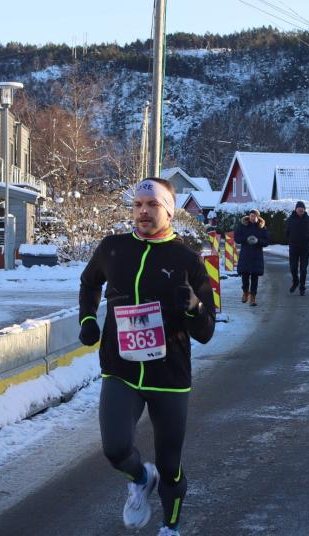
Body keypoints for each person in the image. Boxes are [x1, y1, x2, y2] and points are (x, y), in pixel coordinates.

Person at [78, 177, 216, 536]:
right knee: (115, 449)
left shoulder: (187, 260)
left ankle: (170, 527)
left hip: (169, 376)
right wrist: (88, 319)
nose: (143, 211)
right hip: (120, 369)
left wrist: (194, 306)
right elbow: (89, 282)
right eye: (138, 204)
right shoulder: (112, 249)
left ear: (169, 211)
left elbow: (206, 332)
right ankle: (140, 478)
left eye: (152, 205)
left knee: (170, 465)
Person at [232, 208, 269, 306]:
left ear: (258, 217)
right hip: (245, 254)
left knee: (254, 277)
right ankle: (245, 292)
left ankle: (253, 296)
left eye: (255, 216)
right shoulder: (243, 225)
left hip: (256, 255)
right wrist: (246, 239)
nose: (253, 218)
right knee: (244, 274)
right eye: (252, 215)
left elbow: (266, 241)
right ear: (249, 216)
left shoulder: (262, 227)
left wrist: (258, 241)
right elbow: (237, 238)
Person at [285, 201, 309, 295]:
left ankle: (302, 286)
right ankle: (295, 281)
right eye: (299, 209)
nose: (300, 210)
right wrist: (291, 241)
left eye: (302, 209)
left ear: (304, 209)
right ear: (296, 209)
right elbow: (287, 232)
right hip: (294, 247)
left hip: (305, 247)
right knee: (293, 267)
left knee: (303, 269)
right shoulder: (290, 219)